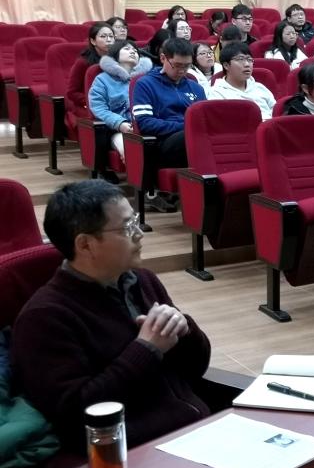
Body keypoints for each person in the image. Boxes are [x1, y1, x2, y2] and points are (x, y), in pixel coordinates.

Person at [12, 180, 211, 452]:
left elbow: (194, 370)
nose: (139, 234)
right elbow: (75, 412)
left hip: (195, 430)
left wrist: (185, 330)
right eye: (127, 227)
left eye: (136, 222)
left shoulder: (143, 280)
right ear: (85, 245)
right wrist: (146, 350)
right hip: (132, 453)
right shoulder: (44, 317)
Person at [131, 36, 205, 175]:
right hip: (162, 143)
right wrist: (186, 127)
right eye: (177, 65)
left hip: (191, 138)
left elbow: (203, 121)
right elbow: (145, 123)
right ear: (163, 58)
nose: (182, 71)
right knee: (193, 137)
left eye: (187, 66)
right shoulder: (145, 84)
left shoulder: (196, 88)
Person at [89, 40, 153, 159]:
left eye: (135, 51)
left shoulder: (148, 78)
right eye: (127, 49)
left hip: (147, 126)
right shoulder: (102, 80)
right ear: (115, 54)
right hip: (118, 130)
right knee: (131, 149)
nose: (133, 52)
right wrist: (119, 123)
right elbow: (99, 108)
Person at [208, 44, 276, 120]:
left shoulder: (260, 88)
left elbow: (276, 112)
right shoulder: (216, 93)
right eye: (240, 59)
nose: (247, 64)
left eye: (249, 60)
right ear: (226, 65)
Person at [66, 22, 116, 127]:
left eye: (111, 36)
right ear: (93, 41)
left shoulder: (117, 59)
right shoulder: (83, 62)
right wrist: (93, 102)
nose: (108, 40)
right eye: (103, 36)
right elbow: (72, 92)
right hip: (88, 104)